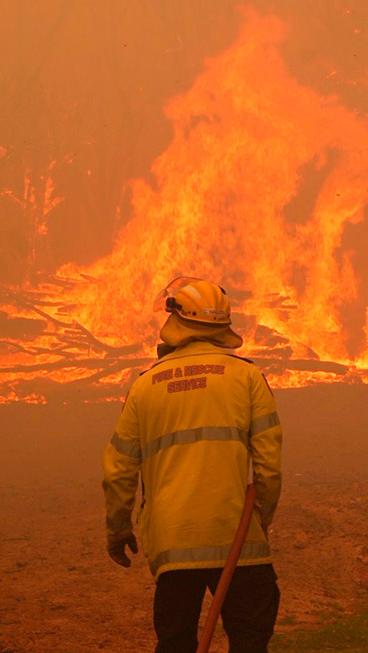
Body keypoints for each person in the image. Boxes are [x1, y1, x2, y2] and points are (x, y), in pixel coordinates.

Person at [102, 277, 283, 653]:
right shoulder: (247, 377)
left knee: (175, 642)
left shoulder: (144, 387)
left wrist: (117, 530)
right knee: (251, 639)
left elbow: (119, 471)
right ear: (222, 326)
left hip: (173, 538)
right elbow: (268, 465)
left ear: (176, 322)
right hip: (236, 534)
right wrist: (260, 520)